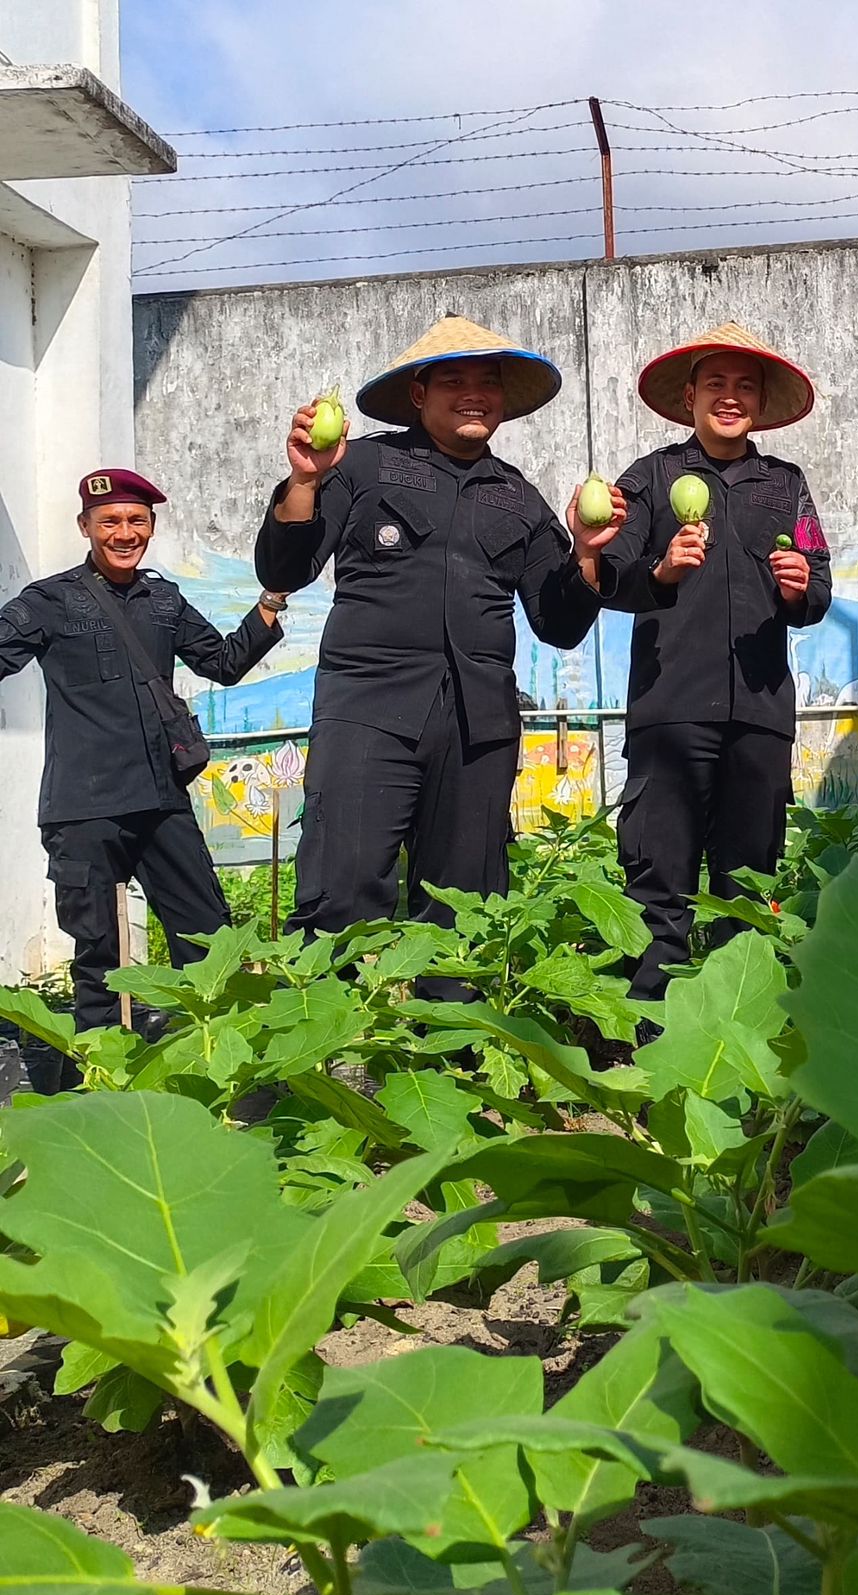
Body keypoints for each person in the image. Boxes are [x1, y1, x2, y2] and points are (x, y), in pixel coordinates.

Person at [256, 314, 652, 936]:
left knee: (464, 914)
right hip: (369, 711)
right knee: (341, 900)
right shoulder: (359, 466)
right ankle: (345, 1033)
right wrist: (305, 481)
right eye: (454, 380)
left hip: (478, 729)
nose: (474, 393)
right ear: (418, 394)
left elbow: (559, 623)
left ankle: (458, 1033)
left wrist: (586, 554)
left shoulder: (517, 496)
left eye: (488, 381)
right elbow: (287, 566)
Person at [0, 469, 282, 1081]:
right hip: (85, 806)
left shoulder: (164, 600)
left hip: (161, 799)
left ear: (150, 528)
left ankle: (219, 1071)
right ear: (86, 527)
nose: (124, 533)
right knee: (96, 952)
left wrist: (268, 606)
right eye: (110, 522)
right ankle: (100, 1079)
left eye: (136, 521)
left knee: (209, 937)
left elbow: (224, 663)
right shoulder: (48, 600)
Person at [597, 322, 832, 1004]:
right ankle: (648, 1032)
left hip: (758, 713)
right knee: (656, 880)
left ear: (758, 402)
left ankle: (739, 1022)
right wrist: (662, 570)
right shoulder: (650, 478)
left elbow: (816, 581)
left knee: (747, 883)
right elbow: (612, 574)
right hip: (670, 709)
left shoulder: (788, 485)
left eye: (744, 387)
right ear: (691, 397)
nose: (730, 398)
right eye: (716, 385)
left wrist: (798, 589)